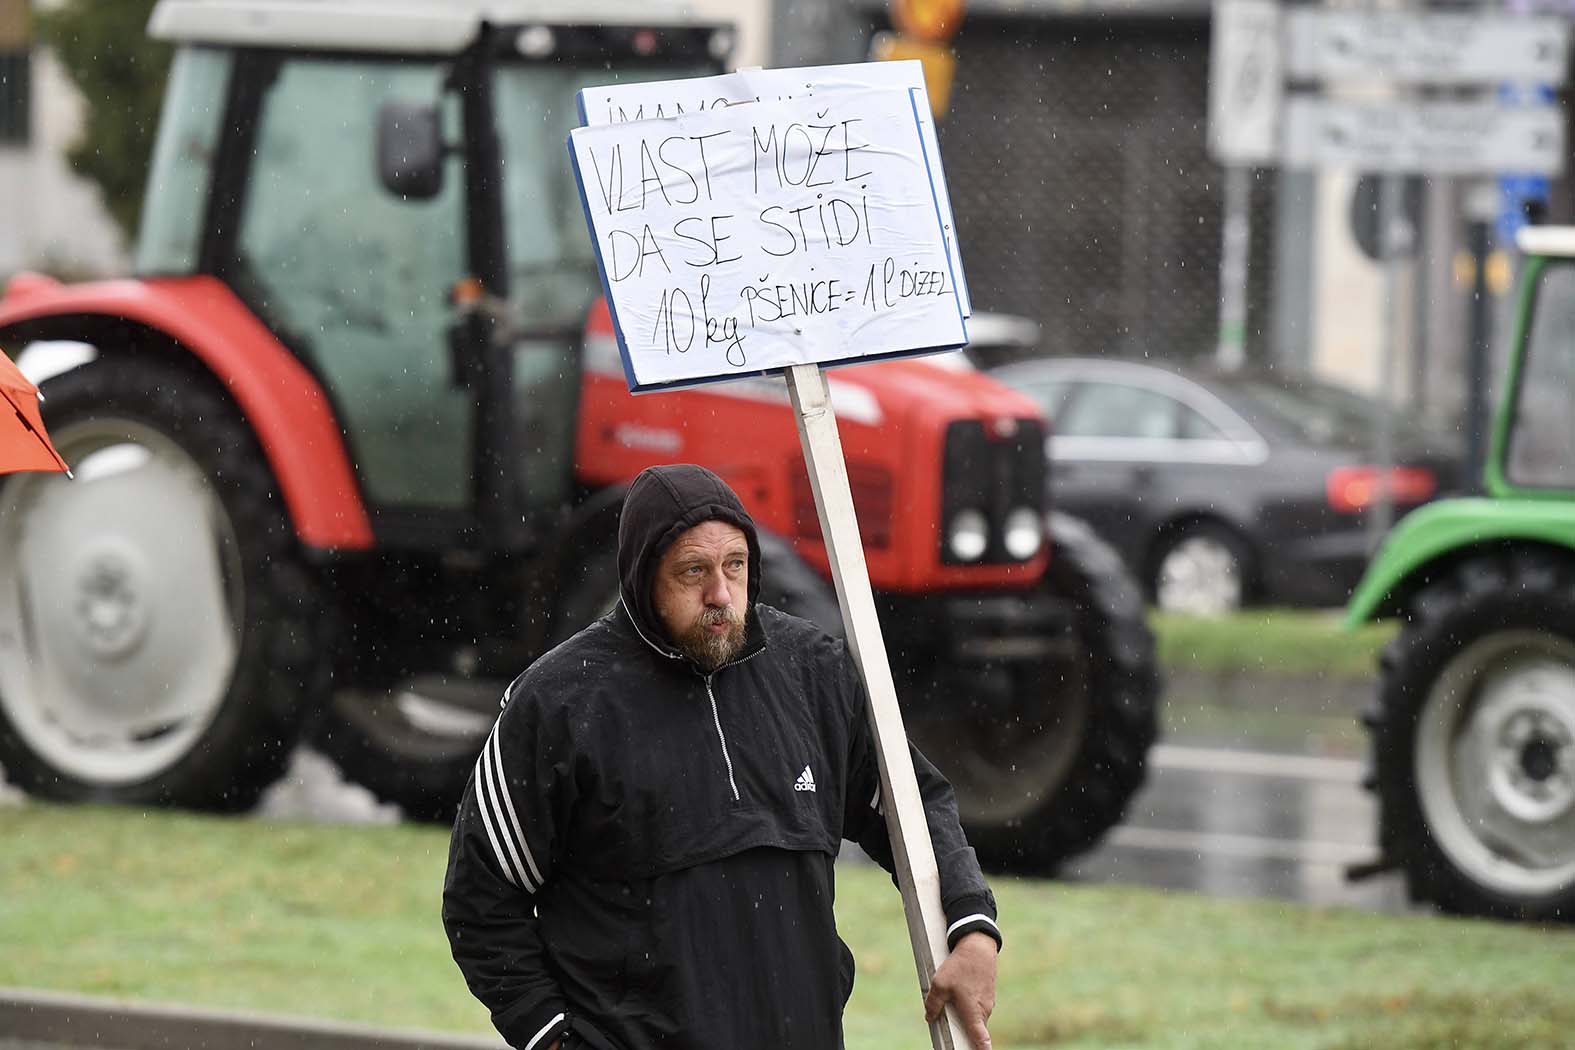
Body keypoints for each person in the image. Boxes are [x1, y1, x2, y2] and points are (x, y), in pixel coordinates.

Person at [443, 463, 1001, 1050]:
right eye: (693, 572)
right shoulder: (557, 704)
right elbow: (482, 899)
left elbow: (913, 808)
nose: (720, 594)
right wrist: (550, 1037)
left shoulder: (815, 673)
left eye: (735, 565)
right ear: (641, 577)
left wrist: (972, 927)